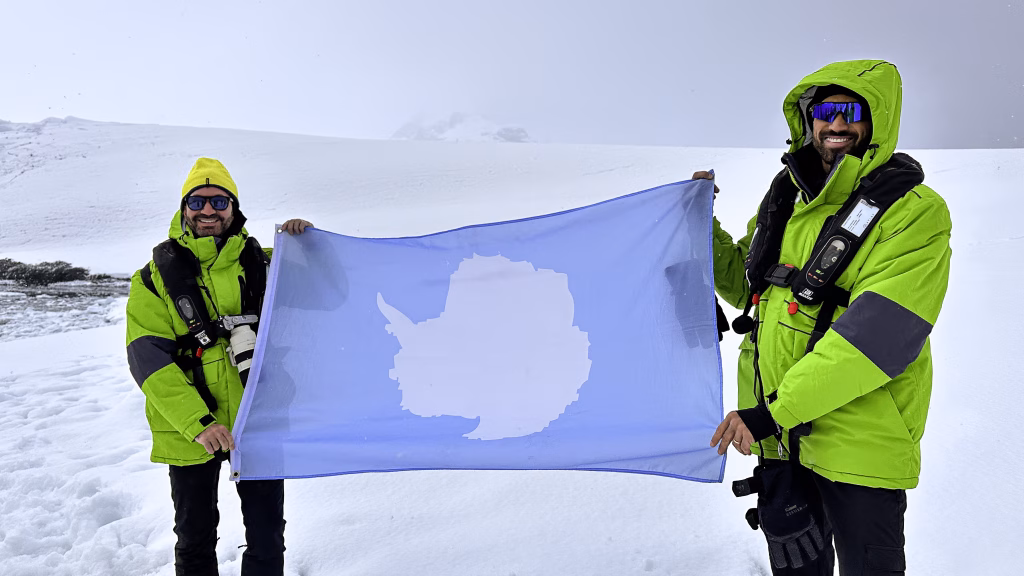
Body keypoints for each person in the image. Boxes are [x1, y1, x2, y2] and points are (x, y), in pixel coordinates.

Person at [701, 60, 952, 575]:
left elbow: (873, 338)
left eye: (851, 111)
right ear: (807, 119)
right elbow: (747, 289)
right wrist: (698, 222)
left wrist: (774, 412)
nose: (836, 124)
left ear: (876, 122)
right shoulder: (789, 200)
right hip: (779, 439)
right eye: (824, 111)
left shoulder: (915, 213)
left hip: (858, 445)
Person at [126, 157, 313, 576]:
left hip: (258, 417)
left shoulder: (269, 263)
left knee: (267, 536)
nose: (207, 210)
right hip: (191, 428)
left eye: (218, 200)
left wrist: (307, 247)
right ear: (184, 208)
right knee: (194, 536)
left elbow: (331, 293)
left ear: (234, 208)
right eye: (197, 200)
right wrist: (199, 423)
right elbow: (148, 361)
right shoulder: (153, 279)